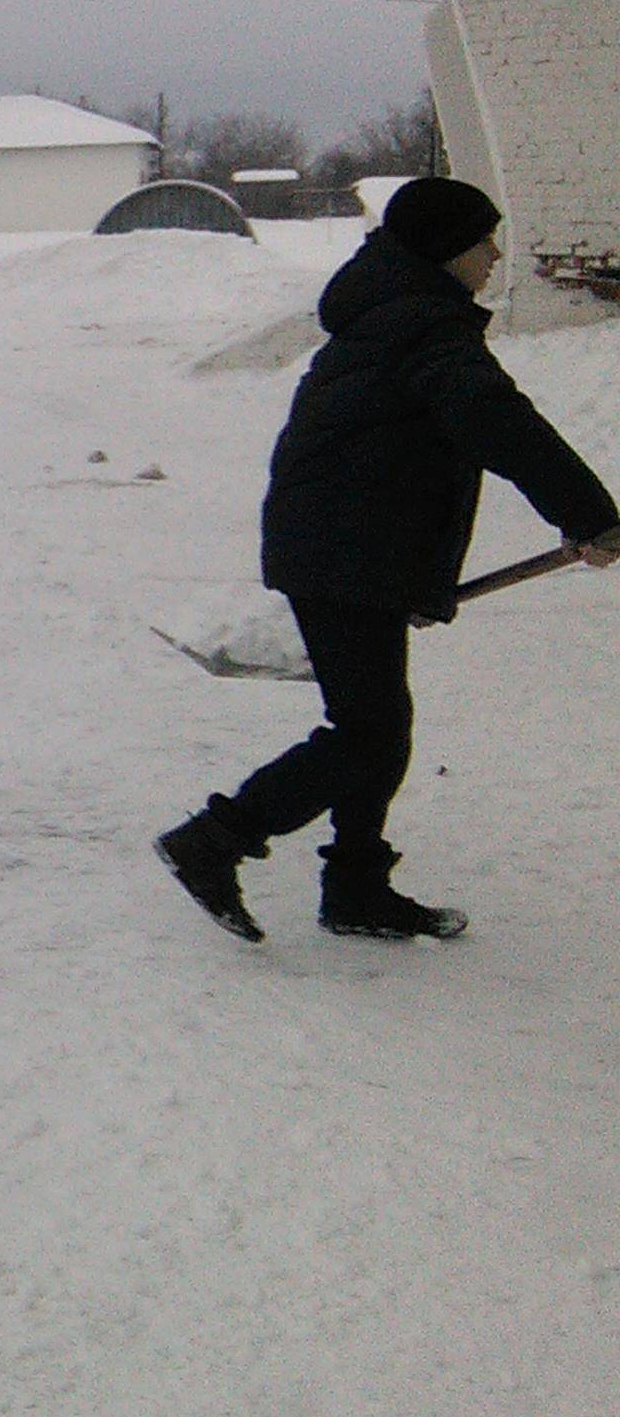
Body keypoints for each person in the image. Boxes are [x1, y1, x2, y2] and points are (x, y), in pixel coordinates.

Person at [157, 177, 619, 943]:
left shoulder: (395, 315)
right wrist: (590, 515)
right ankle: (216, 841)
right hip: (342, 546)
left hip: (347, 540)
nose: (495, 255)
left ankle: (356, 889)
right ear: (444, 250)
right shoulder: (424, 328)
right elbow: (500, 425)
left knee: (376, 727)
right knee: (369, 732)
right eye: (483, 241)